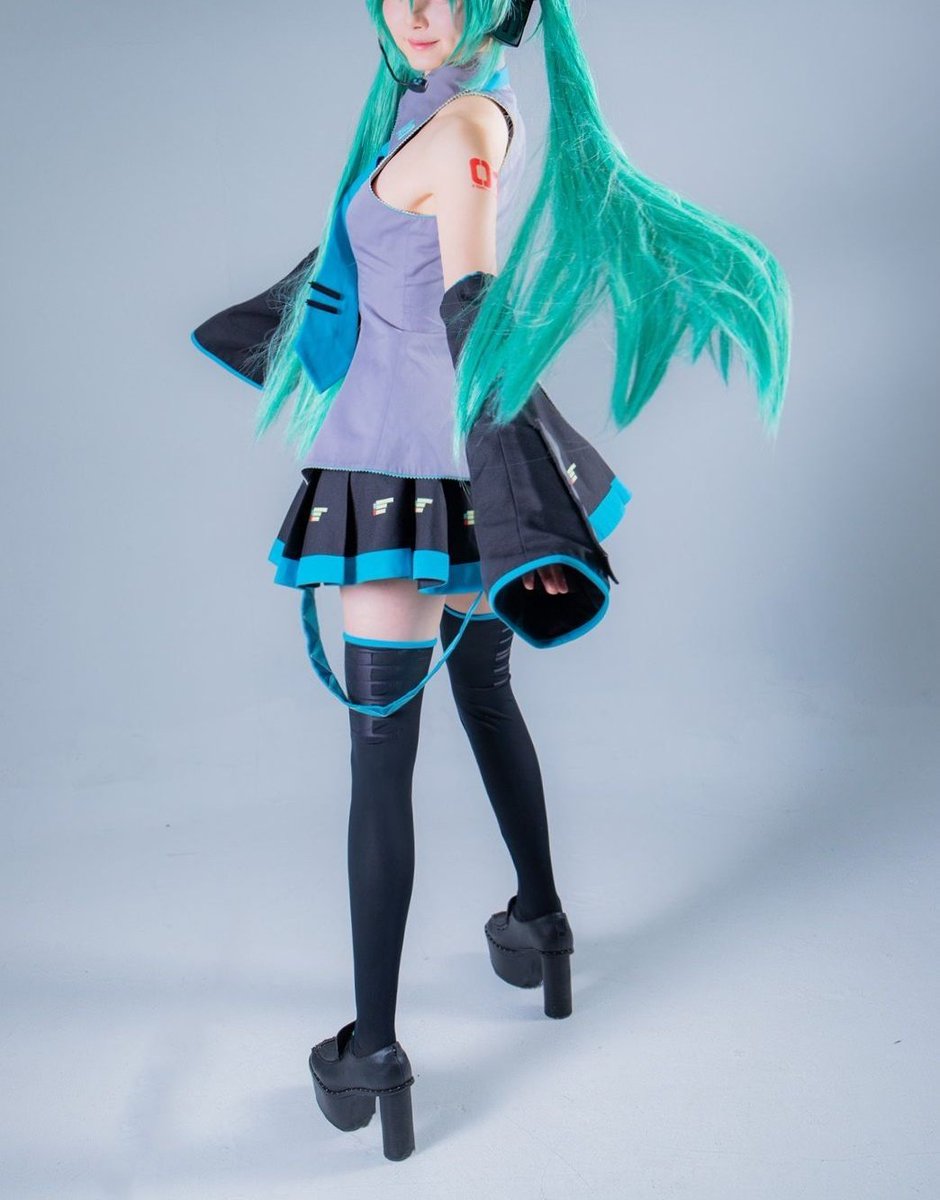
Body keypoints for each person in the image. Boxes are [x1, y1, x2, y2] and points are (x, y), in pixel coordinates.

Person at [191, 0, 791, 1162]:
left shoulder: (465, 123)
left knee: (381, 757)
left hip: (399, 480)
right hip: (437, 474)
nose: (416, 9)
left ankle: (373, 1050)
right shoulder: (422, 102)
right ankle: (540, 923)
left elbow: (476, 308)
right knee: (483, 694)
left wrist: (524, 505)